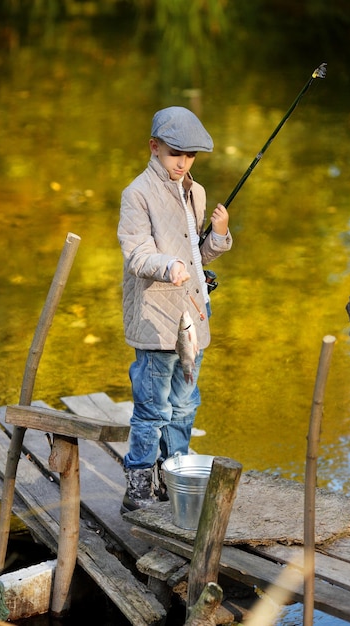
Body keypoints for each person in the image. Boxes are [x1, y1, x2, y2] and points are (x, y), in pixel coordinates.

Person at [117, 106, 233, 512]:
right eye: (174, 154)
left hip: (191, 317)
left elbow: (195, 257)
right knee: (152, 408)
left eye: (191, 156)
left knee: (185, 405)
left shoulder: (195, 192)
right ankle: (138, 489)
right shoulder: (137, 194)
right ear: (154, 147)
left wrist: (217, 237)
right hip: (154, 318)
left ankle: (174, 476)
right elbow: (137, 253)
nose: (183, 163)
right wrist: (170, 266)